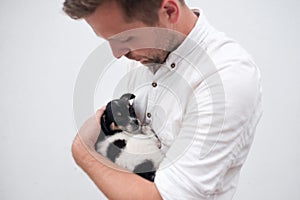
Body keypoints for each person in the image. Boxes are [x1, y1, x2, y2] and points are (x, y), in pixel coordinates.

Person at [63, 0, 263, 199]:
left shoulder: (227, 77)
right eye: (109, 40)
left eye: (126, 38)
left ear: (169, 11)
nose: (117, 54)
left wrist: (83, 152)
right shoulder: (147, 55)